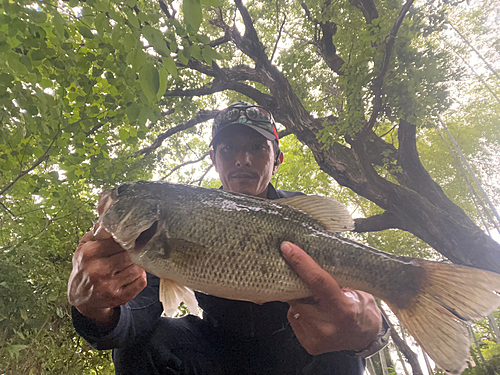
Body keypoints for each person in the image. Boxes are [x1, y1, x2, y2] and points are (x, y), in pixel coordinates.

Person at [68, 101, 389, 375]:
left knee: (341, 345)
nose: (242, 159)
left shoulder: (309, 221)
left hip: (296, 349)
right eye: (228, 148)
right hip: (212, 351)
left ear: (277, 158)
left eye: (257, 147)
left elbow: (360, 305)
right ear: (214, 158)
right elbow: (134, 318)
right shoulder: (172, 221)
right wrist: (96, 311)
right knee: (139, 347)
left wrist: (372, 330)